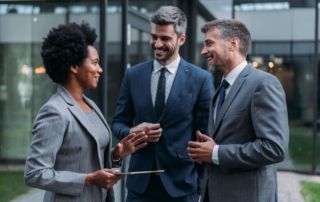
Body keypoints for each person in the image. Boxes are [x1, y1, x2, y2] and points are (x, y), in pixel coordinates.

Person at [24, 22, 148, 202]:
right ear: (74, 66)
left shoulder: (90, 104)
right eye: (95, 63)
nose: (100, 69)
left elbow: (86, 159)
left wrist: (116, 154)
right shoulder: (55, 111)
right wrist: (88, 180)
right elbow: (34, 173)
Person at [111, 6, 214, 202]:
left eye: (165, 38)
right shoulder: (133, 75)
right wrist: (133, 132)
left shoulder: (200, 79)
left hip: (182, 187)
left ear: (181, 39)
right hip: (139, 187)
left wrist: (201, 185)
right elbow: (117, 123)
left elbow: (204, 136)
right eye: (154, 37)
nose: (157, 44)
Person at [187, 19, 289, 202]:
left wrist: (216, 152)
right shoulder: (220, 91)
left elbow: (274, 148)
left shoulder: (263, 83)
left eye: (209, 43)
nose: (203, 52)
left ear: (233, 44)